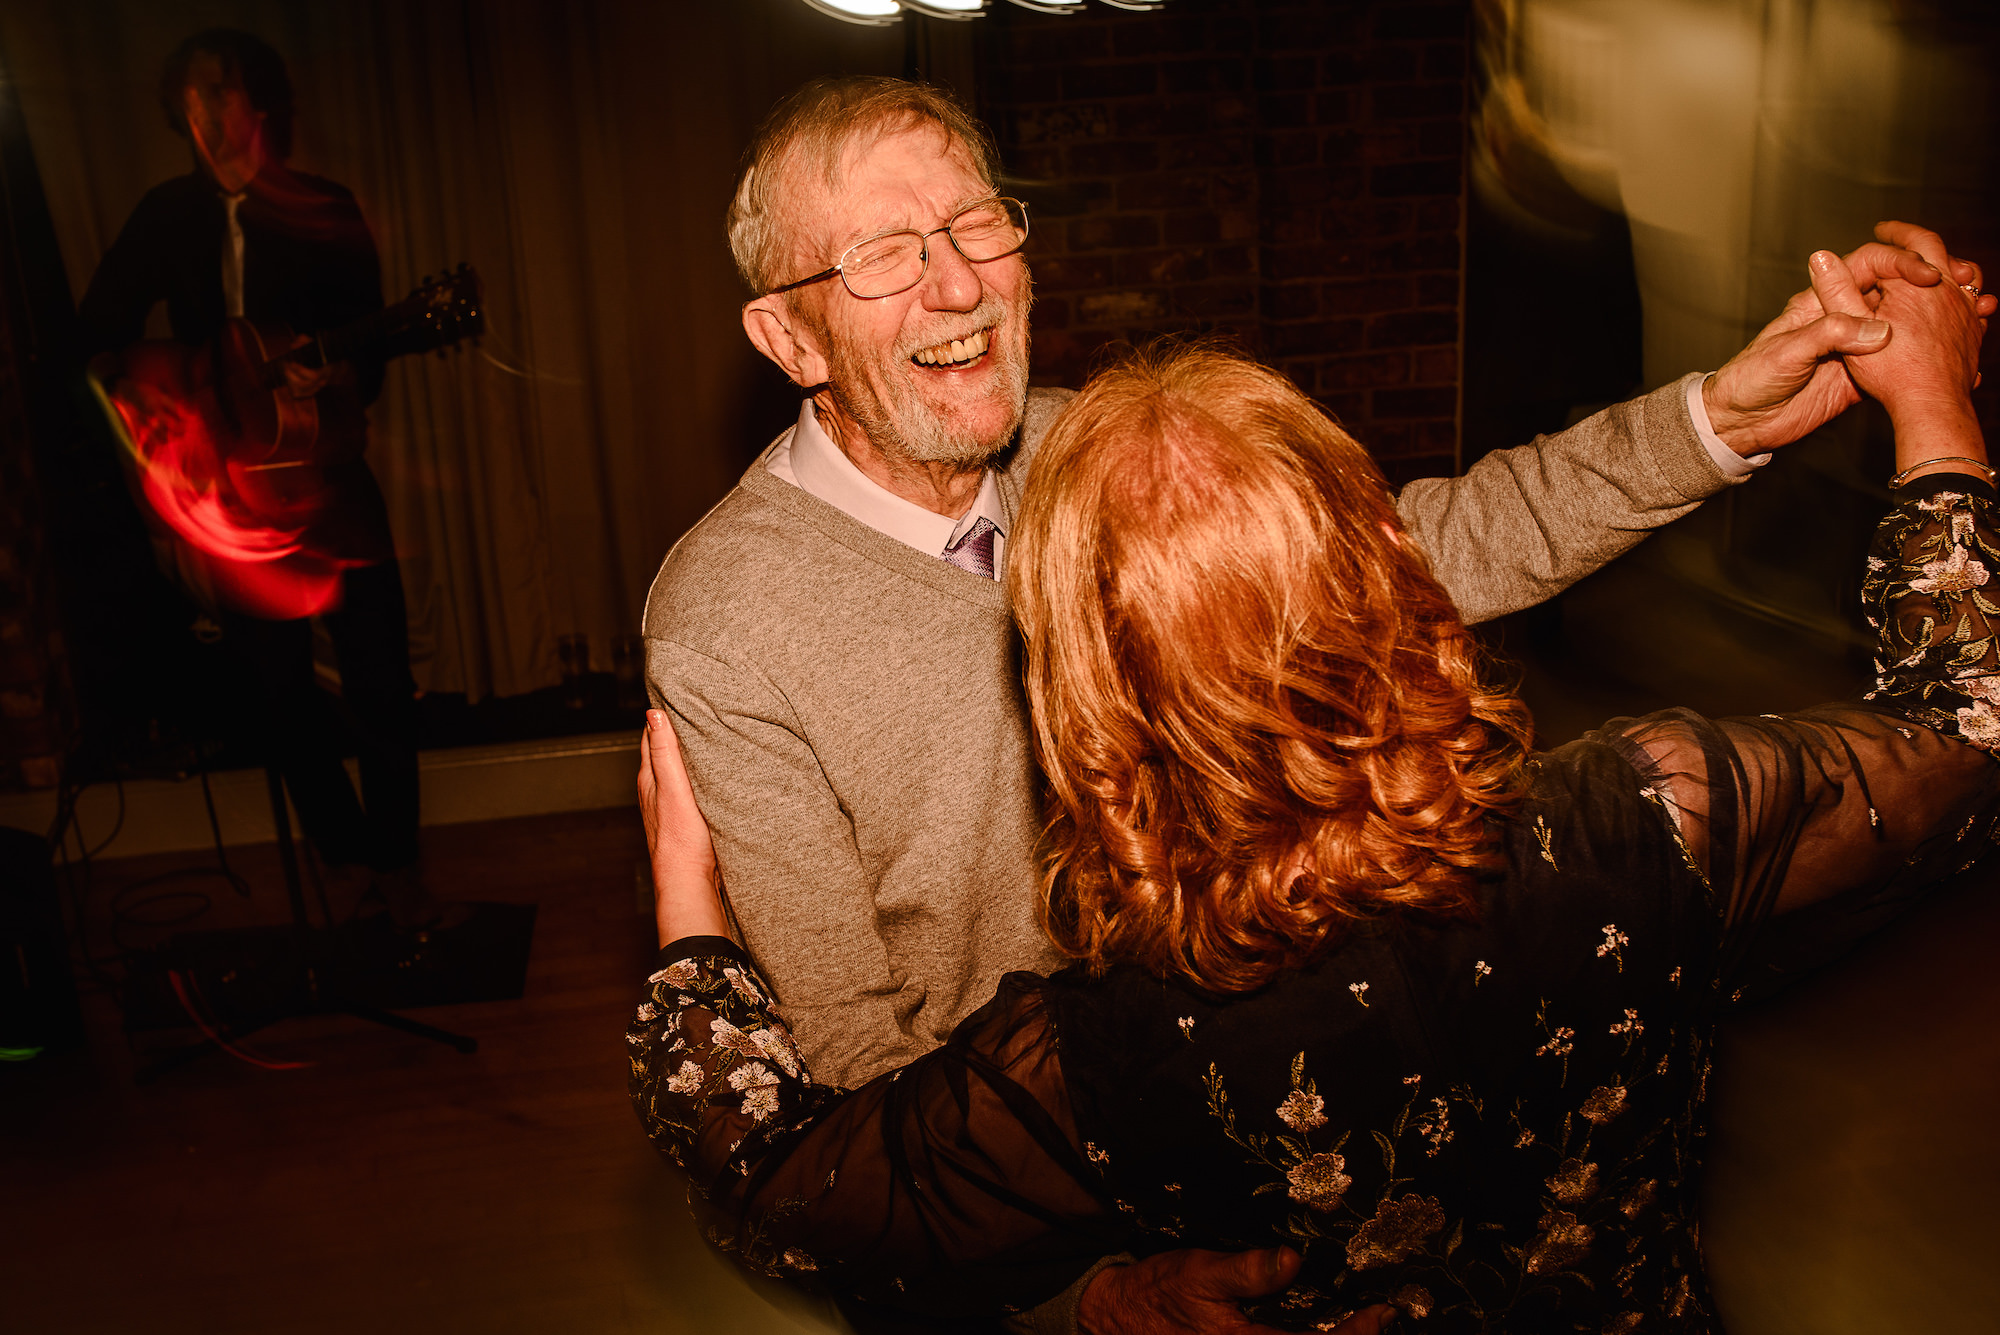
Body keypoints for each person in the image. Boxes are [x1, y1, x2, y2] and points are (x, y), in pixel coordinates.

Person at [642, 72, 1985, 1329]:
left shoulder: (1111, 452)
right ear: (787, 333)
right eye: (880, 254)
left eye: (974, 222)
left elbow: (1446, 538)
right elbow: (860, 1102)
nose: (955, 283)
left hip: (1305, 1102)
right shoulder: (727, 619)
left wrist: (1720, 416)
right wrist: (1082, 1299)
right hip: (1043, 1195)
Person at [77, 29, 434, 922]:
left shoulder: (322, 207)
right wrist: (159, 398)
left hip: (327, 476)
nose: (203, 109)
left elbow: (369, 359)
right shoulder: (165, 216)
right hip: (231, 491)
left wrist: (335, 370)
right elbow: (97, 334)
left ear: (260, 101)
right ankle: (342, 852)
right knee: (277, 692)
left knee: (380, 676)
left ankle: (397, 862)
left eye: (219, 90)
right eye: (189, 95)